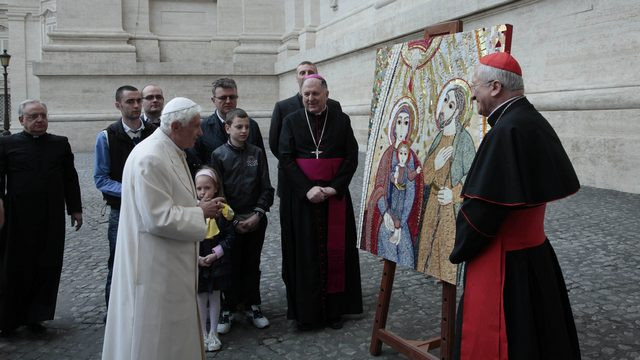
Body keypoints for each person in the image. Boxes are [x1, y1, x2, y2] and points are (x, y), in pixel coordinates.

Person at [449, 52, 581, 359]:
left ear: (495, 87)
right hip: (535, 256)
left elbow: (482, 213)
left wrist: (459, 247)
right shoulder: (531, 119)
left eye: (476, 86)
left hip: (505, 263)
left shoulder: (506, 131)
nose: (472, 94)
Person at [102, 97, 225, 360]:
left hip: (170, 259)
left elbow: (169, 198)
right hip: (154, 264)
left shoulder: (171, 149)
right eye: (195, 126)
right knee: (156, 336)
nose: (200, 132)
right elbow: (156, 217)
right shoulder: (151, 157)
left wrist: (193, 204)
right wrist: (200, 211)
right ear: (177, 127)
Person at [278, 74, 362, 330]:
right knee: (303, 254)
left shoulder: (341, 119)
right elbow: (285, 158)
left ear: (326, 93)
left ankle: (335, 310)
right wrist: (307, 190)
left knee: (336, 251)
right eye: (306, 94)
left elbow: (351, 157)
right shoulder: (291, 121)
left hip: (333, 198)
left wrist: (333, 187)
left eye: (315, 93)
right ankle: (307, 313)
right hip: (302, 201)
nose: (311, 98)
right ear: (301, 95)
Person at [0, 99, 82, 336]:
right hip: (17, 216)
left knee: (47, 264)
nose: (39, 120)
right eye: (33, 116)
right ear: (21, 121)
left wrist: (75, 209)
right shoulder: (6, 144)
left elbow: (70, 178)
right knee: (13, 266)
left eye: (43, 116)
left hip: (51, 215)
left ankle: (37, 315)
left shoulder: (59, 144)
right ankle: (9, 318)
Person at [94, 85, 156, 317]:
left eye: (138, 101)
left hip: (152, 209)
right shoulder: (106, 137)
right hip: (121, 211)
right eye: (130, 101)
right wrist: (131, 191)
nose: (136, 105)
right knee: (119, 262)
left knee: (151, 261)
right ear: (118, 105)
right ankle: (115, 314)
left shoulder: (153, 132)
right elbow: (101, 178)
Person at [211, 108, 274, 334]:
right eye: (239, 126)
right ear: (228, 128)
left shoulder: (256, 153)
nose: (244, 130)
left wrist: (258, 213)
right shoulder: (218, 155)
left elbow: (266, 186)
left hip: (255, 217)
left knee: (251, 263)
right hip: (230, 221)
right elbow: (218, 191)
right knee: (229, 265)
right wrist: (233, 220)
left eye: (247, 126)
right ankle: (228, 308)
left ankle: (252, 304)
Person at [416, 81, 475, 284]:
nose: (445, 107)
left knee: (445, 255)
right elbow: (425, 176)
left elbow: (473, 176)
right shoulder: (439, 137)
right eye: (445, 101)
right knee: (427, 252)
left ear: (458, 111)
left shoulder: (464, 140)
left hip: (449, 209)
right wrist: (436, 163)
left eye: (451, 105)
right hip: (432, 205)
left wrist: (455, 193)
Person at [361, 99, 423, 268]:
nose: (402, 127)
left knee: (407, 254)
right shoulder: (388, 155)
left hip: (403, 218)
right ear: (394, 125)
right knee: (385, 239)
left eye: (406, 123)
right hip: (387, 214)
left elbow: (412, 193)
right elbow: (380, 188)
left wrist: (401, 223)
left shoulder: (411, 158)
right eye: (399, 122)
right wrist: (386, 213)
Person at [194, 167, 234, 352]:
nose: (203, 193)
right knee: (200, 296)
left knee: (215, 295)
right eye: (199, 189)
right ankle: (202, 333)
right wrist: (197, 258)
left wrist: (216, 254)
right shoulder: (192, 212)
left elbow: (229, 237)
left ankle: (213, 332)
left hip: (217, 262)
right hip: (199, 261)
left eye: (207, 188)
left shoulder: (223, 211)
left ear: (215, 188)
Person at [187, 78, 265, 172]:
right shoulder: (203, 128)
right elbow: (196, 162)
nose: (228, 101)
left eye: (232, 97)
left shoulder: (252, 125)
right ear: (213, 100)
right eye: (223, 98)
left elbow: (262, 163)